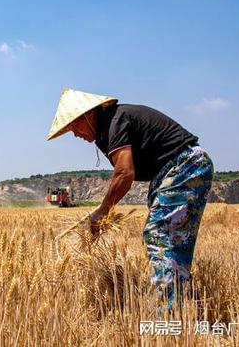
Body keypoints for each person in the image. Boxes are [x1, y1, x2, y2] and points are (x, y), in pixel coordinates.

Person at [47, 88, 214, 310]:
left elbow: (125, 172)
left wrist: (103, 211)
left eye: (73, 126)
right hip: (175, 169)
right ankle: (180, 301)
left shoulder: (115, 121)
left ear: (87, 115)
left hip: (183, 165)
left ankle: (169, 311)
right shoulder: (108, 127)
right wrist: (103, 209)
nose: (74, 133)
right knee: (173, 238)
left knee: (160, 234)